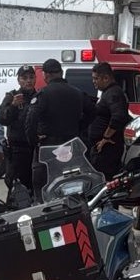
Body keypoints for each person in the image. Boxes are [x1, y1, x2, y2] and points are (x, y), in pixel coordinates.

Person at [25, 58, 95, 197]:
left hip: (48, 148)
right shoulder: (77, 93)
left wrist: (33, 141)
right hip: (71, 147)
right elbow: (92, 112)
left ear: (45, 75)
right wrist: (79, 128)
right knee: (71, 184)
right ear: (61, 73)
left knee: (43, 186)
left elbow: (30, 120)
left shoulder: (43, 94)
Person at [87, 62, 130, 179]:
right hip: (101, 148)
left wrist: (105, 138)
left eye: (96, 78)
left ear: (106, 78)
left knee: (104, 179)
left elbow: (119, 117)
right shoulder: (107, 93)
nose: (93, 81)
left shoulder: (113, 93)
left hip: (107, 149)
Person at [0, 65, 37, 193]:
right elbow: (2, 119)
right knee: (16, 188)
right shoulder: (12, 97)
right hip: (17, 151)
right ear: (19, 80)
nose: (28, 81)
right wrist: (13, 106)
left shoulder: (40, 97)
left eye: (31, 77)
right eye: (24, 78)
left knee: (36, 185)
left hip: (36, 150)